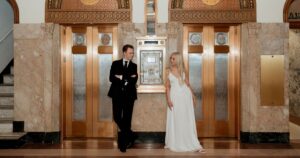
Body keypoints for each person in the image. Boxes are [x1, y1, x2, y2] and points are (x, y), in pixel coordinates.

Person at [164, 52, 205, 153]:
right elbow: (167, 88)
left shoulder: (182, 70)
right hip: (175, 98)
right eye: (171, 58)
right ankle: (176, 142)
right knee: (177, 119)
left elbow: (187, 84)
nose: (171, 60)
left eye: (173, 59)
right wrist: (168, 100)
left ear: (178, 59)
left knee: (186, 119)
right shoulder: (167, 71)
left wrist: (193, 95)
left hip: (185, 97)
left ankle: (190, 142)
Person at [108, 44, 138, 152]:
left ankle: (123, 144)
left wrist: (120, 77)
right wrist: (126, 78)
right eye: (130, 53)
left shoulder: (134, 66)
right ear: (124, 52)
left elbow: (133, 80)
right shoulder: (115, 63)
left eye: (133, 53)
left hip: (129, 96)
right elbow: (111, 78)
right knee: (116, 117)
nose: (132, 54)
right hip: (116, 94)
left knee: (127, 119)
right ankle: (130, 134)